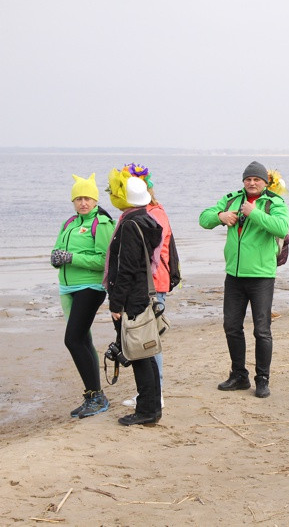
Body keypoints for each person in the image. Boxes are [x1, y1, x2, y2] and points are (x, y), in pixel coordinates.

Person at [199, 162, 289, 398]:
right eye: (248, 179)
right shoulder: (231, 199)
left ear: (265, 182)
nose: (252, 183)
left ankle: (263, 379)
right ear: (243, 181)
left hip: (261, 276)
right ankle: (239, 375)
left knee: (262, 330)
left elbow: (281, 228)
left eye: (256, 179)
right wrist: (221, 216)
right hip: (234, 275)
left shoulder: (273, 202)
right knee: (231, 327)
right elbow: (204, 219)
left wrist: (255, 213)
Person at [52, 173, 114, 419]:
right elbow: (58, 248)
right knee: (83, 340)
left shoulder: (102, 223)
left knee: (73, 340)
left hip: (90, 287)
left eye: (87, 198)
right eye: (78, 198)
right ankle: (93, 395)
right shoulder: (69, 223)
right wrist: (56, 258)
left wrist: (72, 258)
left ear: (96, 200)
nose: (83, 203)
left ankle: (97, 396)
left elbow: (104, 260)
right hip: (67, 288)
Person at [105, 173, 163, 425]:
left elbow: (126, 268)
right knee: (145, 353)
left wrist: (116, 303)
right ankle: (150, 407)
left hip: (131, 298)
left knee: (139, 355)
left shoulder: (130, 224)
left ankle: (147, 411)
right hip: (140, 294)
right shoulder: (147, 220)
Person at [121, 164, 175, 410]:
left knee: (149, 338)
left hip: (152, 284)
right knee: (143, 338)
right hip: (146, 283)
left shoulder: (153, 214)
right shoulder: (138, 213)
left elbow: (145, 253)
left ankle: (156, 393)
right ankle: (149, 392)